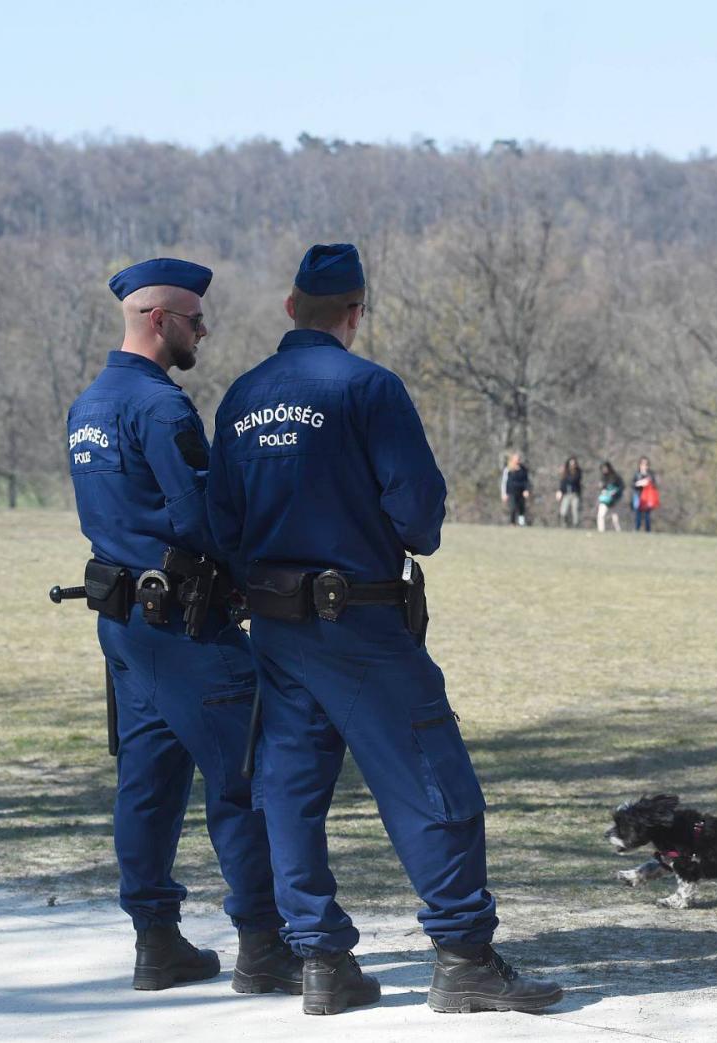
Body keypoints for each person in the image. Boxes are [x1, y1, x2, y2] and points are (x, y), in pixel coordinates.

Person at [207, 244, 562, 1016]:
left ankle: (323, 960)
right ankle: (465, 953)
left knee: (290, 789)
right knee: (432, 777)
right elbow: (418, 519)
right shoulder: (369, 387)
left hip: (273, 622)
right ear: (356, 313)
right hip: (358, 621)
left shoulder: (240, 396)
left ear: (290, 307)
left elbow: (222, 521)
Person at [65, 259, 298, 995]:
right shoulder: (161, 409)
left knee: (147, 784)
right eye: (196, 319)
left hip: (126, 624)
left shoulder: (89, 405)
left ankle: (156, 943)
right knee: (243, 779)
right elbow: (201, 518)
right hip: (188, 630)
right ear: (159, 319)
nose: (205, 330)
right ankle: (264, 945)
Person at [500, 452, 531, 526]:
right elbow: (504, 482)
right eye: (516, 459)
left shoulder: (523, 469)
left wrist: (526, 490)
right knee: (513, 507)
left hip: (521, 491)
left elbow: (526, 481)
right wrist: (503, 494)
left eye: (518, 459)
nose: (517, 460)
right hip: (511, 492)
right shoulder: (508, 469)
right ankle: (512, 523)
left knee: (521, 508)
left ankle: (521, 523)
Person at [631, 456, 659, 532]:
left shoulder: (650, 474)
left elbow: (654, 485)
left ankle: (648, 530)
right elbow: (632, 484)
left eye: (646, 464)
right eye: (642, 464)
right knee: (638, 513)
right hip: (638, 495)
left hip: (648, 497)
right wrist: (639, 484)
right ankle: (637, 528)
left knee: (647, 514)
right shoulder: (637, 474)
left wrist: (648, 482)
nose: (644, 466)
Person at [555, 456, 583, 528]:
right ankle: (565, 525)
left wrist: (567, 474)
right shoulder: (565, 473)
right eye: (571, 464)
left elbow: (573, 480)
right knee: (563, 511)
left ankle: (576, 526)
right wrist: (559, 491)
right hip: (566, 494)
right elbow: (562, 483)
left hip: (574, 494)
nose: (572, 466)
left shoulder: (578, 472)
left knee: (575, 511)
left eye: (573, 464)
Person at [597, 461, 625, 532]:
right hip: (605, 499)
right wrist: (602, 488)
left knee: (615, 517)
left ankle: (618, 530)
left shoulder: (615, 476)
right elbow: (602, 487)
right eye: (602, 468)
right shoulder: (602, 477)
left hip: (614, 499)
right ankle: (601, 530)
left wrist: (615, 491)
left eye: (605, 468)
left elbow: (622, 486)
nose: (604, 470)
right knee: (601, 515)